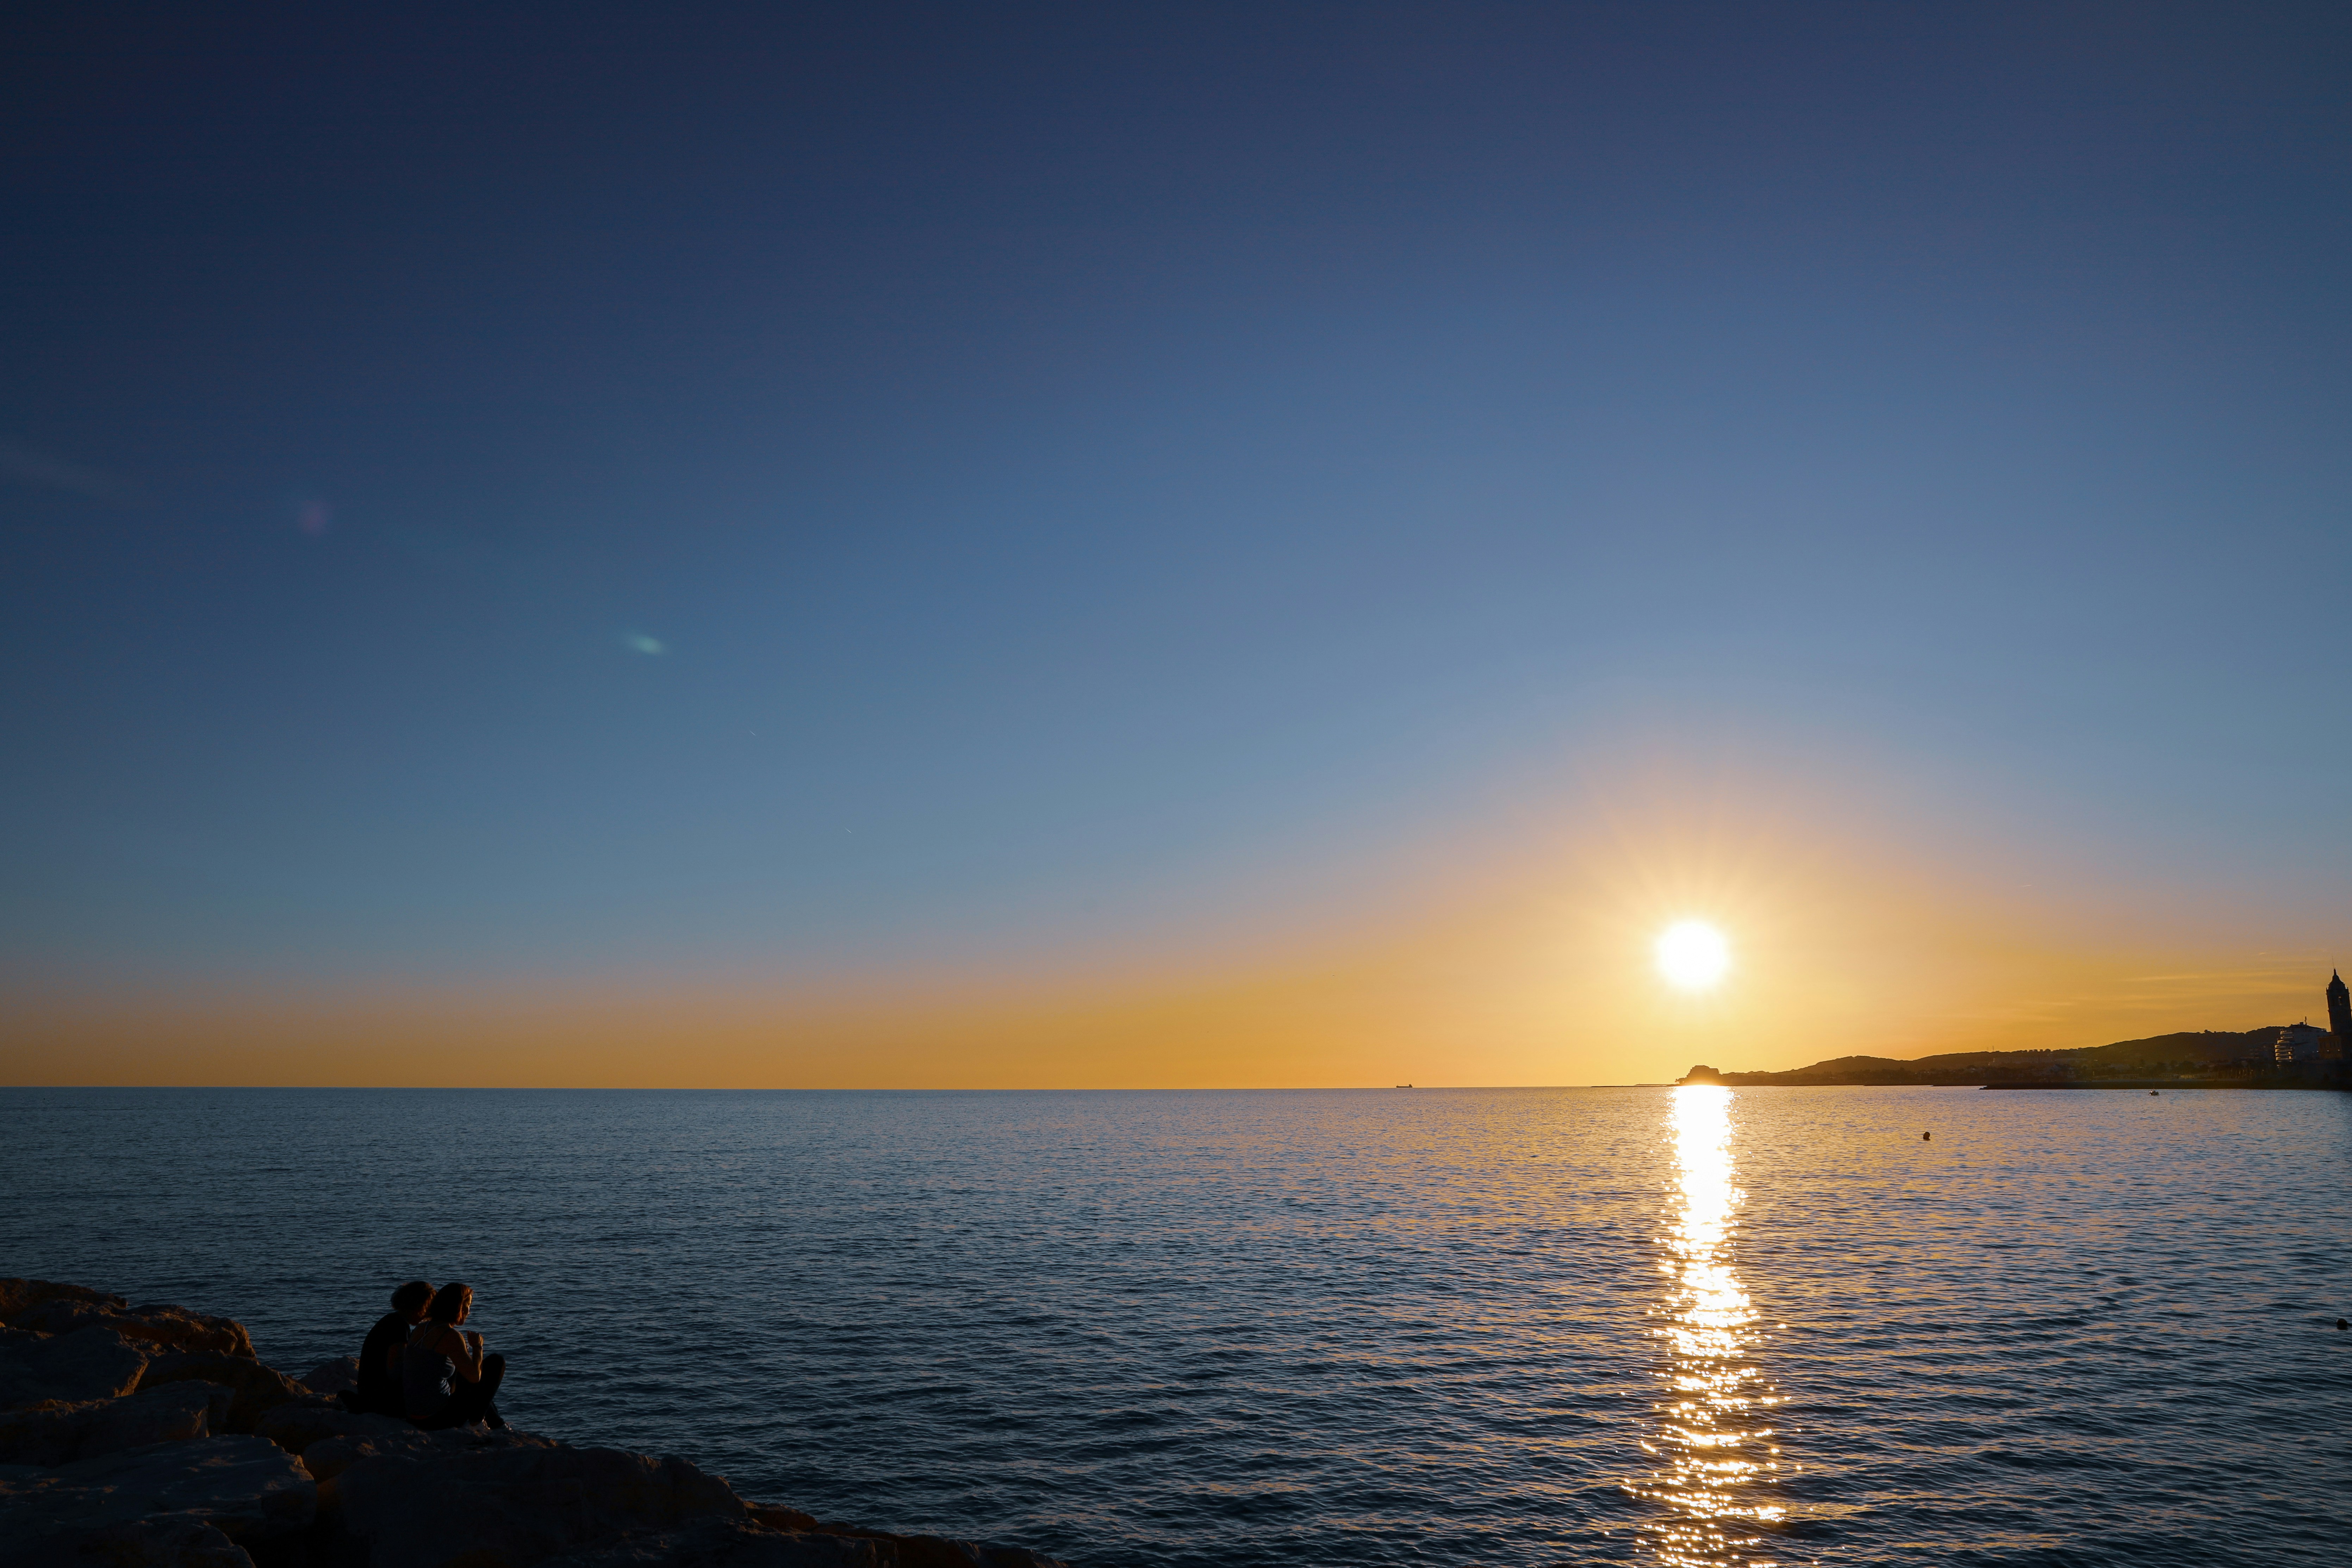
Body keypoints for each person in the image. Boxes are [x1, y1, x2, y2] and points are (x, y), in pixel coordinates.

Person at [402, 1281, 508, 1430]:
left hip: (413, 1414)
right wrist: (478, 1347)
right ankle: (477, 1423)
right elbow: (475, 1378)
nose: (469, 1311)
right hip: (436, 1418)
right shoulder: (451, 1336)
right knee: (496, 1362)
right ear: (457, 1307)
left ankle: (497, 1423)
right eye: (467, 1306)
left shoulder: (421, 1328)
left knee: (463, 1374)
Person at [342, 1281, 433, 1417]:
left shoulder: (392, 1321)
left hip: (371, 1393)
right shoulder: (399, 1327)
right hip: (380, 1398)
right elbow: (395, 1373)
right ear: (417, 1305)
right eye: (427, 1308)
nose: (427, 1314)